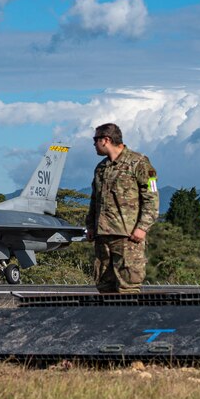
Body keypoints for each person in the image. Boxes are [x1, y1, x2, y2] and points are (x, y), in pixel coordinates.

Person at [84, 123, 159, 293]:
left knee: (129, 285)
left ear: (106, 140)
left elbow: (152, 197)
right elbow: (95, 200)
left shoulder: (139, 163)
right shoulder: (101, 168)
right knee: (104, 285)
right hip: (103, 236)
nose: (94, 145)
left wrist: (142, 228)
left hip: (128, 236)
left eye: (95, 140)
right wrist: (90, 225)